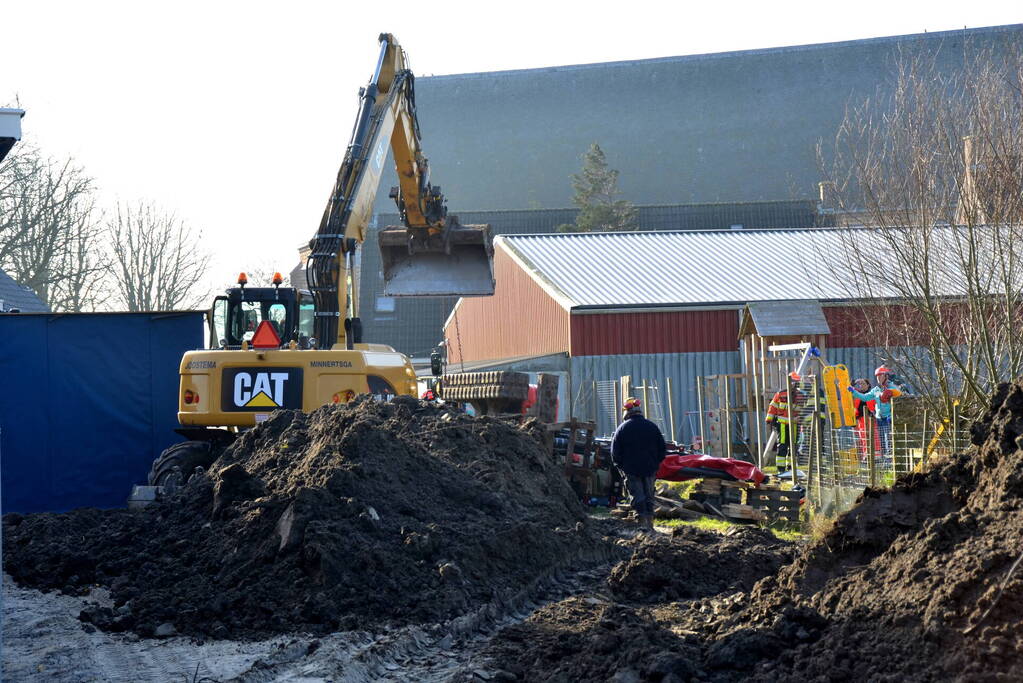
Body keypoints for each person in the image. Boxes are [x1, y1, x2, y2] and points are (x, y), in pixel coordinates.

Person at [611, 397, 667, 530]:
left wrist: (621, 467)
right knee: (649, 495)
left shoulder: (622, 428)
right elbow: (662, 449)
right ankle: (650, 525)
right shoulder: (652, 427)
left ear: (627, 412)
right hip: (649, 468)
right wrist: (655, 464)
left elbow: (615, 452)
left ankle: (642, 524)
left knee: (637, 495)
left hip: (631, 469)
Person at [848, 365, 903, 462]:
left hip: (889, 418)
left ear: (885, 376)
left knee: (889, 438)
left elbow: (899, 393)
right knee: (882, 440)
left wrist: (890, 392)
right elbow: (865, 397)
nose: (878, 378)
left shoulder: (891, 386)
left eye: (880, 375)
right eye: (877, 376)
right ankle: (885, 460)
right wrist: (853, 392)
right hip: (879, 418)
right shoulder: (876, 390)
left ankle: (892, 459)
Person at [765, 372, 804, 471]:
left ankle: (791, 468)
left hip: (794, 425)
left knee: (793, 446)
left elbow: (803, 410)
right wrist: (769, 419)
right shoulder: (781, 393)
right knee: (783, 446)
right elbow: (773, 406)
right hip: (782, 424)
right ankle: (781, 469)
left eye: (795, 382)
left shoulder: (800, 395)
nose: (793, 384)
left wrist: (801, 418)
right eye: (793, 382)